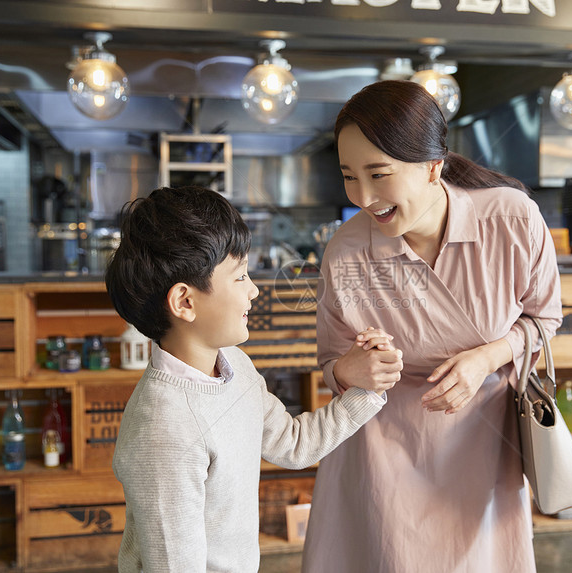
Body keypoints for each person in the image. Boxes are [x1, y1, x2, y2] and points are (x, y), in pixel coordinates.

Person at [302, 80, 563, 573]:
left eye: (379, 174)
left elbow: (544, 318)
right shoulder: (346, 250)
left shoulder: (511, 219)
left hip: (482, 443)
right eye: (349, 177)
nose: (363, 197)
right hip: (382, 450)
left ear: (432, 167)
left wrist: (487, 357)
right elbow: (331, 368)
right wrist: (354, 369)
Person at [105, 185, 402, 573]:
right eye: (241, 276)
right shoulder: (163, 429)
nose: (255, 290)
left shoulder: (233, 365)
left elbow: (293, 444)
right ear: (185, 302)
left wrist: (366, 386)